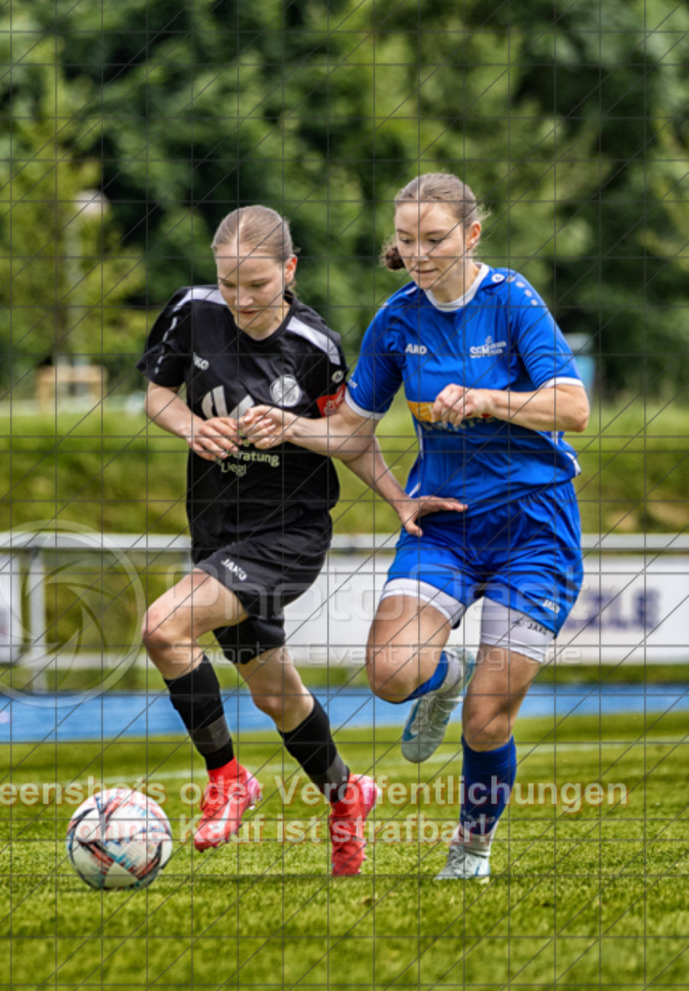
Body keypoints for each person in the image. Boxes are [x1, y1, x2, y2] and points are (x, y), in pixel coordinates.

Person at [240, 173, 590, 880]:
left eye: (434, 239)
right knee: (391, 676)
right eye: (406, 240)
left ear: (470, 235)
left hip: (533, 526)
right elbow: (349, 433)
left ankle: (470, 849)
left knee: (487, 720)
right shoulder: (396, 321)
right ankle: (443, 674)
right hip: (447, 523)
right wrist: (289, 427)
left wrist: (490, 400)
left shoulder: (512, 299)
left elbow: (572, 408)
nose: (420, 254)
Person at [137, 204, 405, 875]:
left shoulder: (313, 348)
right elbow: (157, 396)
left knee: (163, 628)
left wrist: (400, 500)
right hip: (216, 530)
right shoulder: (191, 311)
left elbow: (351, 438)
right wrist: (193, 429)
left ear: (288, 270)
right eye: (228, 284)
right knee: (274, 694)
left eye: (255, 284)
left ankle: (227, 777)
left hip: (287, 535)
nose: (240, 299)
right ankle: (347, 797)